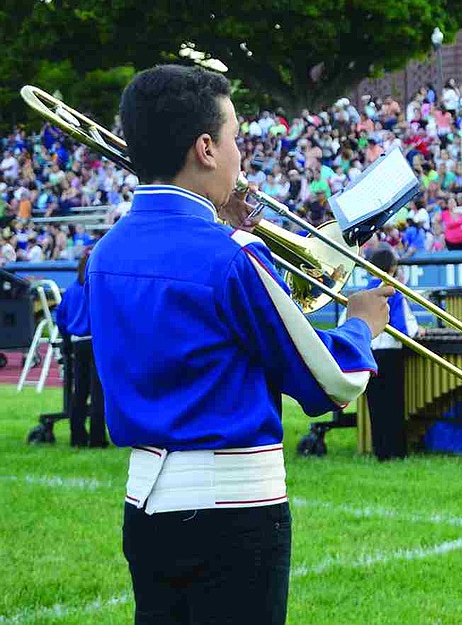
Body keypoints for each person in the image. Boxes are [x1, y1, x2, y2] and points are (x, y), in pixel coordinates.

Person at [87, 65, 393, 625]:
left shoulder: (105, 254)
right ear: (205, 147)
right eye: (234, 140)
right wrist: (360, 326)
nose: (240, 158)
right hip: (235, 511)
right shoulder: (233, 255)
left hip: (145, 507)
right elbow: (326, 381)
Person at [363, 246, 422, 461]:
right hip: (390, 352)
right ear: (391, 268)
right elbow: (402, 328)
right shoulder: (393, 292)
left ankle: (380, 450)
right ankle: (397, 450)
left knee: (376, 404)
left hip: (369, 353)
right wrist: (418, 331)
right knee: (394, 403)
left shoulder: (362, 293)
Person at [54, 250, 106, 448]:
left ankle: (76, 436)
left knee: (79, 391)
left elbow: (61, 317)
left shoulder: (71, 290)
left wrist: (66, 338)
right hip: (95, 341)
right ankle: (97, 438)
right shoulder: (96, 290)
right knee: (98, 392)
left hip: (76, 342)